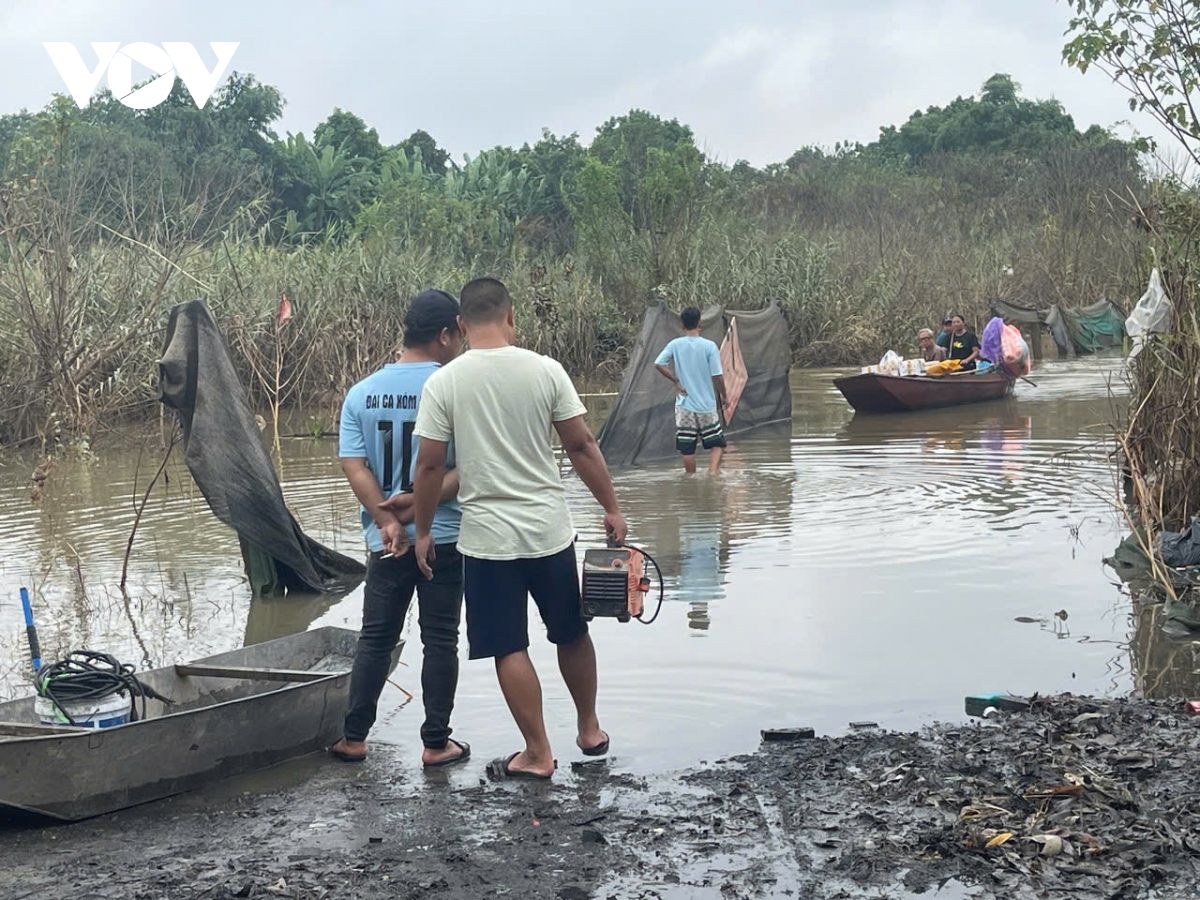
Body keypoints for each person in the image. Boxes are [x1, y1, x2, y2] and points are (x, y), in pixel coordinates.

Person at [410, 277, 627, 781]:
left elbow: (427, 469)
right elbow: (582, 445)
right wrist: (612, 507)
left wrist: (423, 532)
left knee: (509, 644)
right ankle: (590, 728)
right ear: (511, 316)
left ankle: (537, 752)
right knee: (571, 630)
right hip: (549, 530)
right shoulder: (546, 370)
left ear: (461, 325)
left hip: (487, 540)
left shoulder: (443, 383)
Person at [331, 289, 470, 769]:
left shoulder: (361, 392)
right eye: (459, 335)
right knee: (440, 638)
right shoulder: (455, 386)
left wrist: (389, 519)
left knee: (375, 638)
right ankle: (436, 743)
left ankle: (353, 739)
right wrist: (417, 512)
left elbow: (354, 463)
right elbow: (467, 469)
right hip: (445, 536)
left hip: (384, 542)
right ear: (446, 333)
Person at [653, 307, 729, 475]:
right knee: (717, 444)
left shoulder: (675, 345)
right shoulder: (709, 347)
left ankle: (691, 479)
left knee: (688, 449)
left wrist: (676, 381)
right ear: (700, 324)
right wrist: (724, 396)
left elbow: (658, 363)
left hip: (684, 405)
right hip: (706, 406)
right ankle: (713, 475)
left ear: (682, 325)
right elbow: (717, 375)